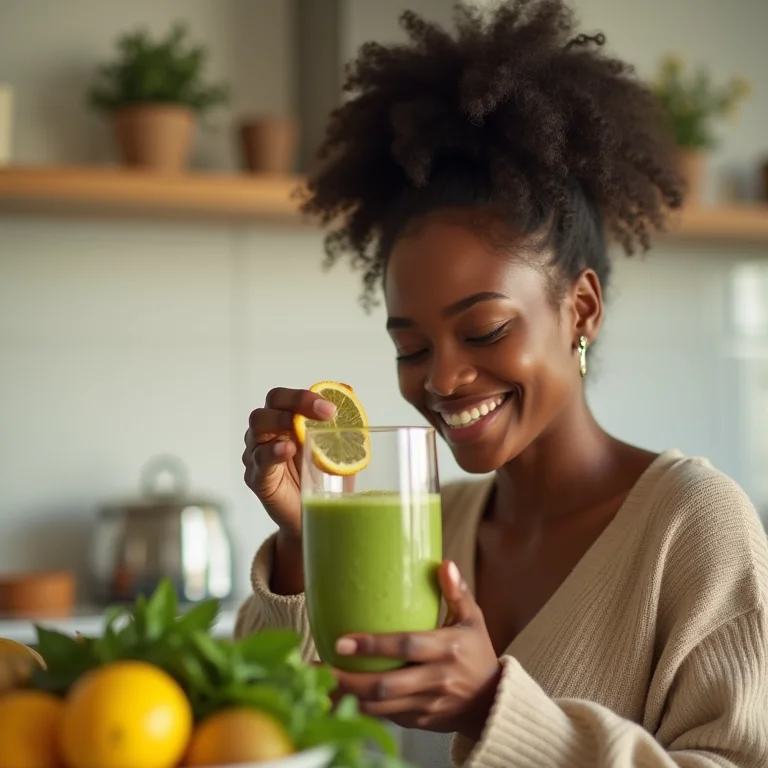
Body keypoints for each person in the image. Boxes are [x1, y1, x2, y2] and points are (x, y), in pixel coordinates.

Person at [236, 2, 768, 766]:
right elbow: (266, 725)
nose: (443, 379)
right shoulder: (428, 524)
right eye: (411, 346)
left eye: (484, 331)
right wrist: (300, 540)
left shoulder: (692, 529)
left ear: (580, 308)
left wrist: (495, 708)